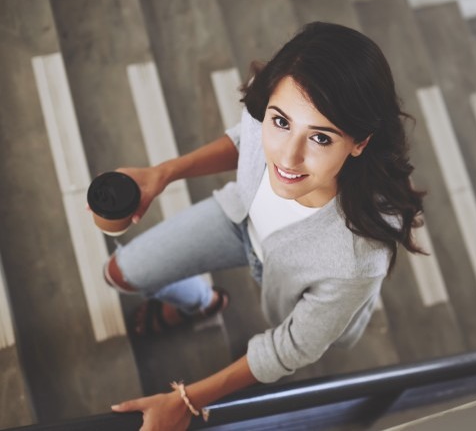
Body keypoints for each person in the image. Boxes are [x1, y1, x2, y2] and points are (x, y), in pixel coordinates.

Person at [105, 22, 425, 430]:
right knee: (121, 274)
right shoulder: (274, 97)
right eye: (281, 122)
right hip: (241, 219)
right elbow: (246, 139)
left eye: (321, 138)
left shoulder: (357, 260)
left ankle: (202, 304)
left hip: (291, 277)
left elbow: (290, 348)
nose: (288, 157)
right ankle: (202, 303)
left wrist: (185, 400)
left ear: (359, 141)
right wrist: (164, 173)